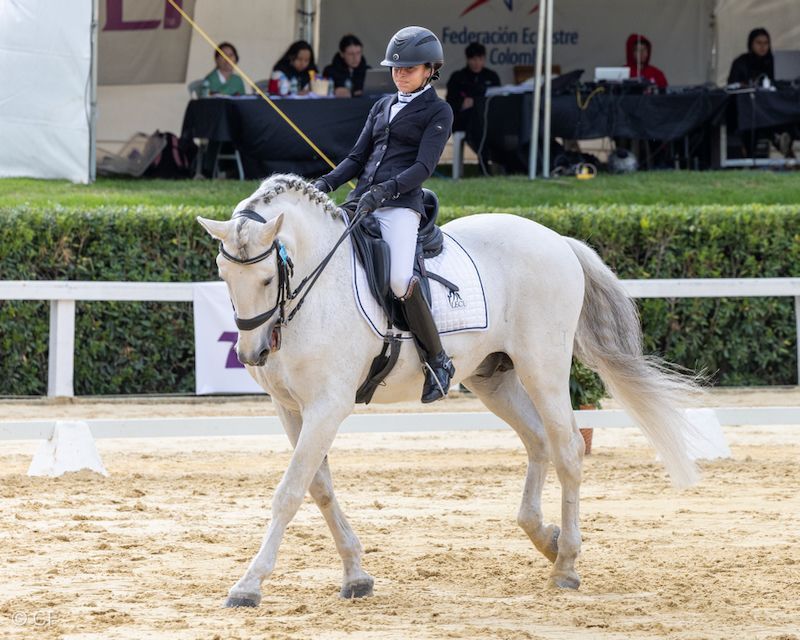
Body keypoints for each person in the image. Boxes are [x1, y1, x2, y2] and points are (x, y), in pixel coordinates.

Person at [313, 26, 455, 404]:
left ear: (430, 70)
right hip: (363, 201)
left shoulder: (438, 110)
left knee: (397, 280)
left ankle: (437, 361)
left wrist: (386, 190)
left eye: (408, 68)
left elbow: (424, 167)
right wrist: (323, 185)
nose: (400, 74)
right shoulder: (381, 105)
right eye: (395, 68)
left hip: (400, 206)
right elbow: (357, 157)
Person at [446, 42, 501, 131]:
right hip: (464, 120)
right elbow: (450, 101)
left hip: (487, 119)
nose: (477, 63)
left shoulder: (492, 76)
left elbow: (498, 99)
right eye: (474, 59)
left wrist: (476, 102)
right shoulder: (458, 77)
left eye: (480, 59)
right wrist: (462, 104)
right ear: (468, 59)